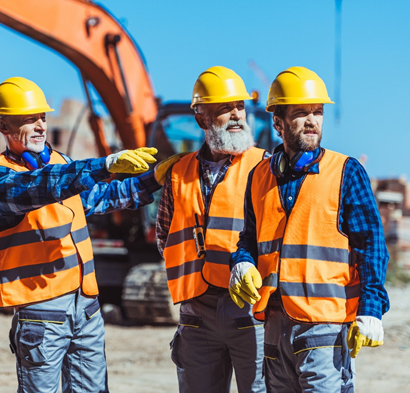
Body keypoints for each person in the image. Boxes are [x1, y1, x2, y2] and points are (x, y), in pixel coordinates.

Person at [0, 77, 176, 393]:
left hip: (87, 310)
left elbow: (100, 198)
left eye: (43, 117)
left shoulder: (60, 163)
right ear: (4, 127)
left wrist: (152, 182)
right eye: (29, 119)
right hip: (42, 317)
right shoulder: (1, 183)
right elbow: (44, 186)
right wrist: (104, 164)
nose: (40, 126)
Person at [228, 67, 389, 392]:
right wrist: (241, 262)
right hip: (274, 323)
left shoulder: (345, 172)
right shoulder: (259, 176)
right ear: (278, 123)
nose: (312, 121)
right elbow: (249, 240)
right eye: (301, 113)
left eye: (317, 112)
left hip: (325, 324)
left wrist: (371, 309)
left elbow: (371, 244)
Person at [156, 66, 267, 393]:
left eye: (240, 107)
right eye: (224, 109)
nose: (236, 116)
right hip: (197, 315)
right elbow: (166, 238)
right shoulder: (178, 172)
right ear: (202, 118)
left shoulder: (265, 167)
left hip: (251, 310)